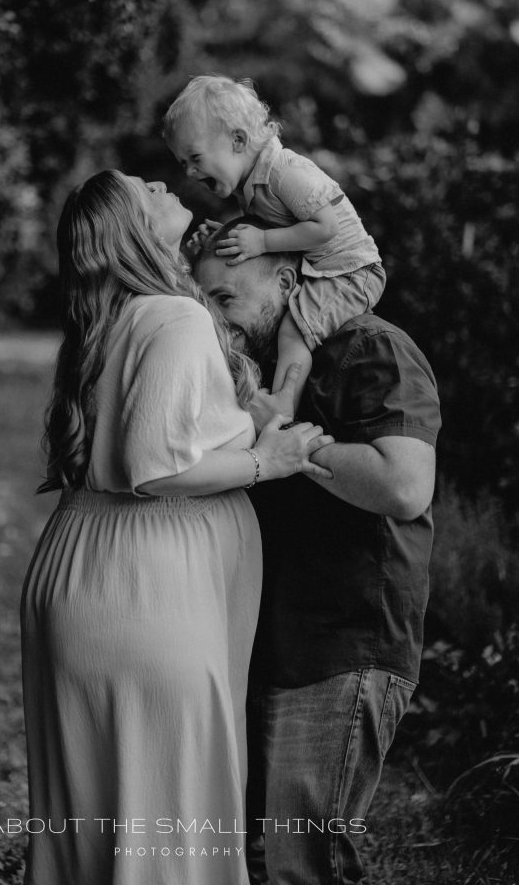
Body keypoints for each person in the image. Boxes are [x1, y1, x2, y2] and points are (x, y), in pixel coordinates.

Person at [20, 172, 334, 885]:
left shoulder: (109, 320)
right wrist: (269, 461)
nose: (162, 181)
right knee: (169, 818)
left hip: (83, 570)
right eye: (145, 187)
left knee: (97, 822)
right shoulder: (174, 317)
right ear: (132, 228)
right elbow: (155, 466)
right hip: (145, 591)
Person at [193, 217, 442, 885]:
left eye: (226, 298)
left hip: (344, 641)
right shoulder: (253, 372)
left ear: (285, 281)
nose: (217, 320)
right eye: (204, 303)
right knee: (254, 860)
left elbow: (403, 485)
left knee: (306, 865)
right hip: (267, 642)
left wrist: (288, 439)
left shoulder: (371, 348)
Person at [163, 75, 385, 407]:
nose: (190, 172)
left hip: (351, 271)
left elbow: (326, 226)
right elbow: (271, 230)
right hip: (318, 269)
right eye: (183, 163)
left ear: (238, 140)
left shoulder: (283, 172)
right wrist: (221, 238)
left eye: (195, 158)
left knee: (293, 331)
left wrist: (263, 241)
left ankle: (282, 407)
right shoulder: (248, 184)